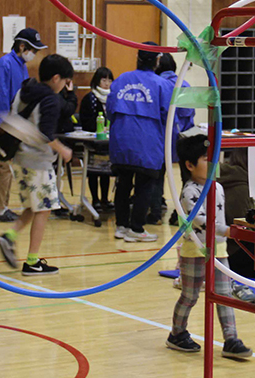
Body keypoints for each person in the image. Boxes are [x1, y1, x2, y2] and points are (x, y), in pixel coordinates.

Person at [166, 134, 252, 360]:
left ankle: (231, 339)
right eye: (206, 159)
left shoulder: (218, 187)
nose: (214, 163)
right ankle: (177, 333)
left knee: (224, 295)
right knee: (190, 296)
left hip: (219, 251)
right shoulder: (189, 192)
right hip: (195, 252)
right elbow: (200, 220)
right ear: (190, 165)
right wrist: (227, 231)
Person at [0, 55, 74, 276]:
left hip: (18, 158)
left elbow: (14, 119)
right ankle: (32, 261)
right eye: (65, 81)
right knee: (44, 208)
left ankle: (9, 236)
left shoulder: (23, 90)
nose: (65, 86)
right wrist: (63, 150)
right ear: (56, 78)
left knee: (33, 206)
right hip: (37, 162)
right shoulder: (50, 99)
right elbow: (46, 134)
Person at [107, 45, 173, 243]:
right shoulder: (162, 85)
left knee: (123, 183)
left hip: (121, 140)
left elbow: (110, 110)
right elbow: (167, 115)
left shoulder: (121, 80)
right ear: (157, 60)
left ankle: (121, 226)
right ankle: (136, 228)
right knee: (145, 185)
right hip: (147, 141)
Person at [0, 27, 47, 222]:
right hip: (6, 125)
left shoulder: (21, 65)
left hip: (15, 123)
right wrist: (4, 126)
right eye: (33, 49)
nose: (34, 54)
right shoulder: (5, 64)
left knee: (8, 168)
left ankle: (3, 206)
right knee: (4, 168)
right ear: (22, 46)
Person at [79, 67, 114, 210]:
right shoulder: (90, 98)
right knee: (93, 171)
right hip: (93, 140)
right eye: (103, 79)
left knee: (106, 171)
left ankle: (105, 199)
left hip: (108, 142)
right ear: (97, 81)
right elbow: (85, 120)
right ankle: (95, 199)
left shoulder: (113, 97)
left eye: (109, 80)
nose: (107, 83)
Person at [156, 53, 195, 163]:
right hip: (183, 140)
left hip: (161, 141)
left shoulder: (157, 85)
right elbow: (190, 114)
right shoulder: (185, 85)